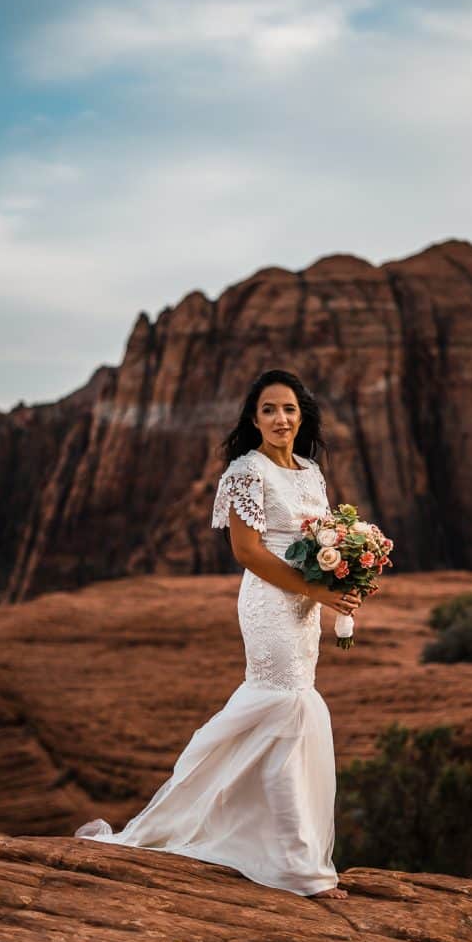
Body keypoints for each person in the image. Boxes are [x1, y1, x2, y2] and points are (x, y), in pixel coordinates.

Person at [74, 369, 362, 899]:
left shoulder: (311, 472)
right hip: (270, 604)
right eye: (269, 409)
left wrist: (342, 575)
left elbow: (325, 535)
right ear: (254, 419)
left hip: (305, 609)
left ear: (303, 416)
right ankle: (299, 866)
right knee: (286, 704)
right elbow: (247, 552)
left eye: (290, 409)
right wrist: (317, 590)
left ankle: (261, 842)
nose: (280, 419)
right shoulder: (245, 472)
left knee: (287, 710)